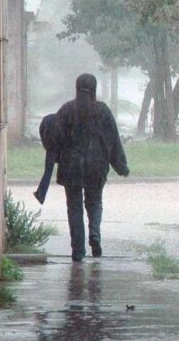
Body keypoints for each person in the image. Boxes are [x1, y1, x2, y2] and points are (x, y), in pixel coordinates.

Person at [56, 73, 129, 261]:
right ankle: (94, 234)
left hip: (71, 166)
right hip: (97, 165)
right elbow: (113, 140)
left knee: (74, 207)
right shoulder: (102, 111)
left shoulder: (66, 110)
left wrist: (56, 160)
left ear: (76, 88)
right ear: (94, 89)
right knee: (95, 201)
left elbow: (55, 138)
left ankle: (78, 251)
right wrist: (121, 166)